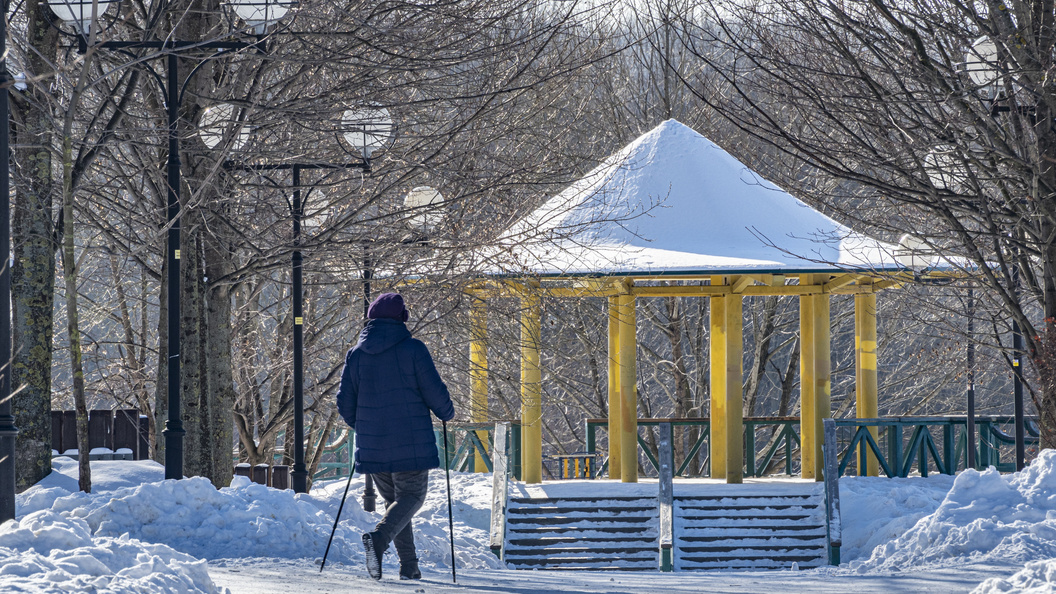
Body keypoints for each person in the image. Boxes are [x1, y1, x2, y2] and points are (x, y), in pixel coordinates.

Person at [336, 292, 455, 581]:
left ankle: (409, 566)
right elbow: (435, 393)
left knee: (396, 507)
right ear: (402, 318)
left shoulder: (356, 354)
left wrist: (367, 426)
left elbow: (345, 403)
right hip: (410, 442)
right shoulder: (413, 349)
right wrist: (446, 412)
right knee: (411, 497)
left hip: (373, 445)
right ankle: (378, 540)